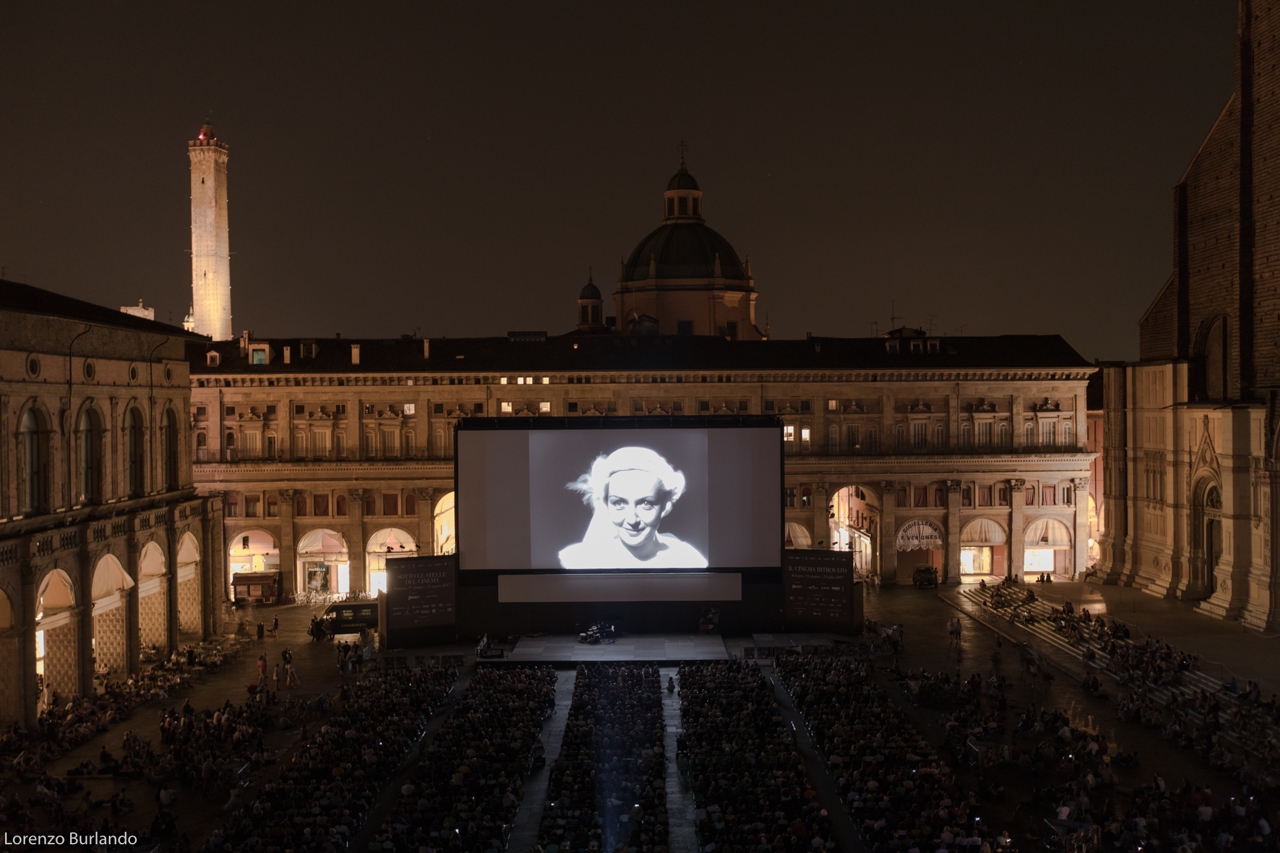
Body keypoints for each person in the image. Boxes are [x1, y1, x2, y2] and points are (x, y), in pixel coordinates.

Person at [558, 446, 708, 569]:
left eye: (646, 504)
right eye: (619, 503)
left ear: (665, 506)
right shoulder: (574, 561)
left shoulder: (688, 560)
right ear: (606, 505)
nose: (632, 519)